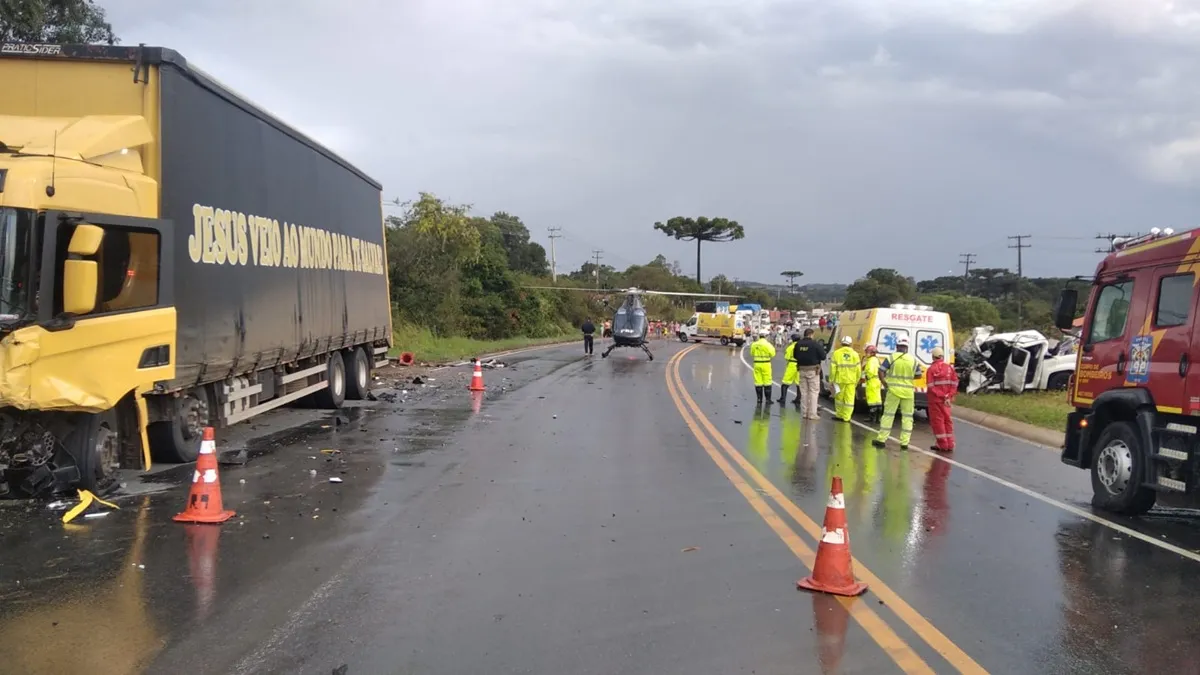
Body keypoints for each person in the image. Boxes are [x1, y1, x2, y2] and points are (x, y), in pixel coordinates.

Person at [872, 336, 923, 450]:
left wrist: (884, 382)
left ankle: (881, 440)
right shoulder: (913, 360)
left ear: (897, 346)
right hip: (908, 392)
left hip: (893, 390)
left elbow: (881, 370)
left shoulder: (891, 358)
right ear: (907, 347)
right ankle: (905, 442)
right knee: (907, 417)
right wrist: (909, 376)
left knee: (888, 415)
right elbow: (919, 375)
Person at [926, 346, 959, 451]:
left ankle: (943, 444)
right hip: (947, 401)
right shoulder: (949, 368)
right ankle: (950, 443)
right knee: (947, 420)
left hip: (935, 400)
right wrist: (949, 395)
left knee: (938, 422)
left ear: (933, 357)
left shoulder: (931, 369)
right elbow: (955, 383)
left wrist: (942, 395)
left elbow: (931, 387)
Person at [792, 328, 827, 419]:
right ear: (811, 334)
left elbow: (795, 356)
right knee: (813, 392)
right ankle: (812, 413)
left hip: (802, 369)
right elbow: (823, 356)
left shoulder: (798, 344)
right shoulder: (815, 344)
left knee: (804, 392)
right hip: (813, 370)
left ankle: (804, 413)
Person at [830, 335, 861, 422]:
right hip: (851, 380)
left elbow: (833, 368)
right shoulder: (855, 354)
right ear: (850, 344)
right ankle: (847, 417)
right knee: (849, 399)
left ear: (842, 343)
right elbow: (858, 369)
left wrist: (831, 380)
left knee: (839, 398)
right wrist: (857, 380)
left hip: (839, 380)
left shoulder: (836, 353)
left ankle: (839, 415)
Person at [750, 328, 776, 405]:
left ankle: (759, 399)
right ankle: (768, 400)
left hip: (757, 364)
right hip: (766, 364)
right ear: (766, 336)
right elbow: (773, 354)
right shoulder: (768, 345)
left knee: (758, 382)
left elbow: (752, 353)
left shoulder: (754, 344)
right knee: (767, 381)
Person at [778, 332, 802, 404]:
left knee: (786, 382)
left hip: (792, 364)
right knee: (799, 383)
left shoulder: (791, 347)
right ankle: (798, 399)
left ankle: (783, 398)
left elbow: (786, 357)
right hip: (800, 365)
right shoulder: (801, 346)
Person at [861, 344, 883, 423]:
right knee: (878, 399)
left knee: (871, 400)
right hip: (877, 381)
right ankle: (878, 418)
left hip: (871, 381)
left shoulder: (871, 361)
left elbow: (870, 371)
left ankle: (872, 417)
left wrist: (866, 375)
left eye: (867, 352)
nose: (866, 353)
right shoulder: (876, 359)